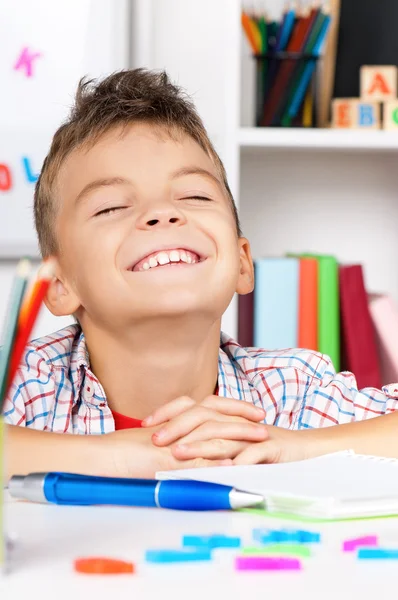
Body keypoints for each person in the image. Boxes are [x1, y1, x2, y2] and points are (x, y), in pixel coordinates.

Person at [3, 69, 398, 481]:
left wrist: (294, 448)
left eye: (194, 195)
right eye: (112, 207)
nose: (162, 213)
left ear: (242, 263)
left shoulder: (290, 391)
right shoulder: (26, 386)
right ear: (59, 283)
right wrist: (115, 459)